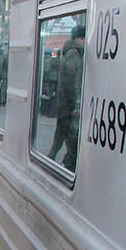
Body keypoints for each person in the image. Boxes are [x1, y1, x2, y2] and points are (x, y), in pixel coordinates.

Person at [48, 22, 83, 171]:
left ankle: (49, 163)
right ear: (80, 38)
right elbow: (71, 83)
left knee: (60, 139)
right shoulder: (74, 55)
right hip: (67, 107)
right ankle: (66, 167)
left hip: (62, 101)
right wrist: (73, 107)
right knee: (71, 142)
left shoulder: (66, 53)